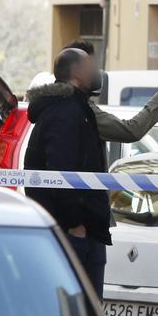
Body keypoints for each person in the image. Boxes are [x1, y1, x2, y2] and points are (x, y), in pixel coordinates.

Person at [24, 48, 111, 296]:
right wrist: (74, 222)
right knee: (79, 312)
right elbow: (60, 172)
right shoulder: (66, 113)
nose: (97, 72)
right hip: (76, 233)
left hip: (82, 230)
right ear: (78, 74)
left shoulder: (76, 109)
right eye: (90, 66)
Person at [45, 39, 158, 144]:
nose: (96, 73)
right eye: (91, 67)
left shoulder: (63, 103)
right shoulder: (76, 109)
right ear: (78, 71)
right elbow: (131, 131)